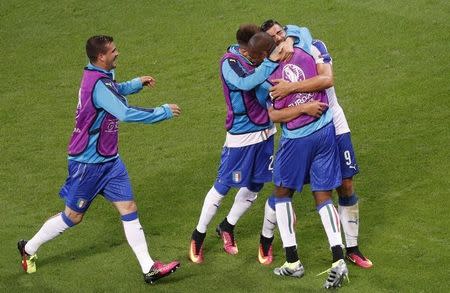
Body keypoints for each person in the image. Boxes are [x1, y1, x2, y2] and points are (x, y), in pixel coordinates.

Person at [18, 35, 181, 284]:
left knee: (129, 208)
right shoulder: (96, 84)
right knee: (72, 217)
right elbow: (124, 112)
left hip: (110, 161)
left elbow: (113, 90)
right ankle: (28, 248)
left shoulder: (101, 76)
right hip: (88, 164)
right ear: (101, 56)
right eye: (113, 51)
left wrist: (136, 83)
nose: (117, 53)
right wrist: (163, 111)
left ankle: (149, 267)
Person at [188, 24, 324, 264]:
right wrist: (271, 64)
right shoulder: (229, 63)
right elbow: (246, 84)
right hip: (241, 137)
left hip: (266, 133)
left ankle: (227, 226)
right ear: (249, 48)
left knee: (255, 186)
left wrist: (290, 42)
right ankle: (198, 235)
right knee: (223, 186)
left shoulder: (262, 57)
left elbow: (300, 34)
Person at [260, 19, 373, 269]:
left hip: (334, 123)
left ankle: (351, 247)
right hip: (301, 130)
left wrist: (291, 88)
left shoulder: (312, 46)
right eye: (273, 37)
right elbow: (272, 111)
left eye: (280, 32)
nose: (279, 37)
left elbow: (327, 80)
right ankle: (266, 238)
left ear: (287, 31)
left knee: (345, 184)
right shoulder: (270, 66)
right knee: (284, 188)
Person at [248, 32, 348, 289]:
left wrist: (300, 106)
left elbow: (275, 116)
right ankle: (339, 259)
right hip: (326, 131)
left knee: (281, 193)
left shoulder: (263, 78)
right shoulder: (304, 48)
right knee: (323, 195)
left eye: (253, 56)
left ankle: (293, 262)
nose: (251, 59)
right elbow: (324, 80)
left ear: (262, 55)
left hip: (297, 140)